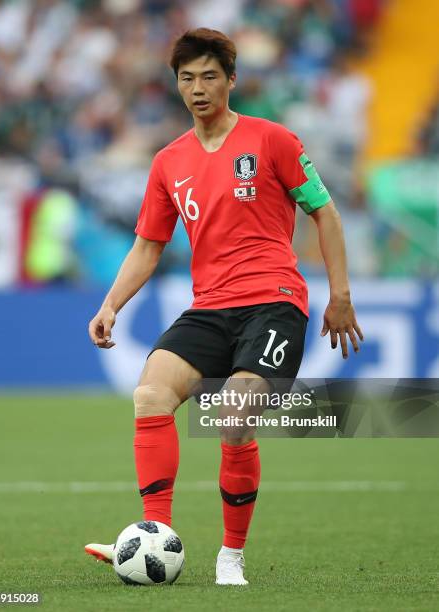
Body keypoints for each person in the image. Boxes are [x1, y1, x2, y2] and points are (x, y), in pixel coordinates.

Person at [85, 28, 363, 586]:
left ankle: (230, 555)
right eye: (187, 78)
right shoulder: (168, 162)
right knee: (150, 394)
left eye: (210, 76)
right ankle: (154, 536)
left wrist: (340, 295)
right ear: (176, 86)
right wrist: (111, 304)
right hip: (210, 306)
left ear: (232, 80)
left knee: (234, 417)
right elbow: (148, 246)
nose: (198, 88)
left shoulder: (273, 140)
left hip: (275, 302)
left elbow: (325, 214)